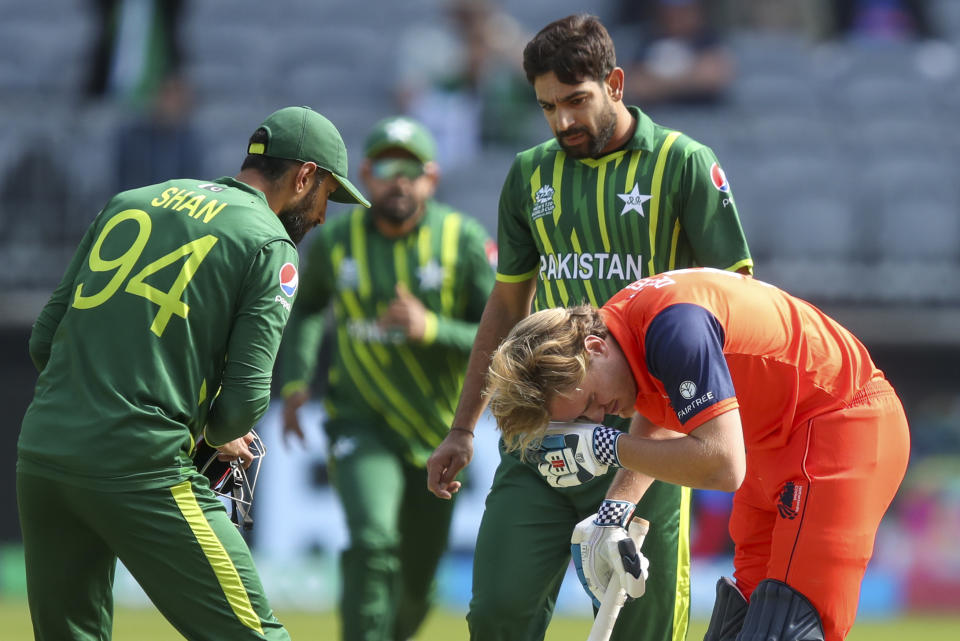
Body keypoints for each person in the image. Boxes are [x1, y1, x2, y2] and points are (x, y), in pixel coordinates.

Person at [425, 13, 753, 641]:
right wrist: (462, 428)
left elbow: (728, 313)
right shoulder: (529, 175)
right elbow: (505, 309)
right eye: (548, 106)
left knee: (642, 631)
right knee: (497, 616)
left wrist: (626, 490)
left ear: (617, 83)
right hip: (541, 431)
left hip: (646, 438)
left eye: (577, 101)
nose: (563, 121)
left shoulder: (683, 165)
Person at [16, 105, 369, 641]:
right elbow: (246, 404)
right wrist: (211, 434)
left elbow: (45, 341)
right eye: (327, 196)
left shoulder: (129, 201)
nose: (323, 215)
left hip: (43, 455)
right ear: (304, 177)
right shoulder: (269, 244)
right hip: (142, 462)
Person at [485, 268, 911, 641]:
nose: (600, 417)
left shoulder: (674, 329)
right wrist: (615, 509)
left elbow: (724, 466)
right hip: (773, 441)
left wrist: (608, 447)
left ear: (593, 347)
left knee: (789, 626)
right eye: (585, 418)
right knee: (739, 622)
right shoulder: (623, 326)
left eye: (592, 400)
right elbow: (664, 408)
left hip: (840, 426)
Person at [278, 116, 496, 641]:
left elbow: (506, 334)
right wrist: (294, 383)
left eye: (411, 167)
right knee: (372, 543)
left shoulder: (462, 240)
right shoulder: (337, 239)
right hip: (360, 421)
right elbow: (307, 309)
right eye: (385, 166)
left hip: (439, 433)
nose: (399, 179)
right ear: (367, 175)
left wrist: (432, 327)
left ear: (432, 178)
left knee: (418, 582)